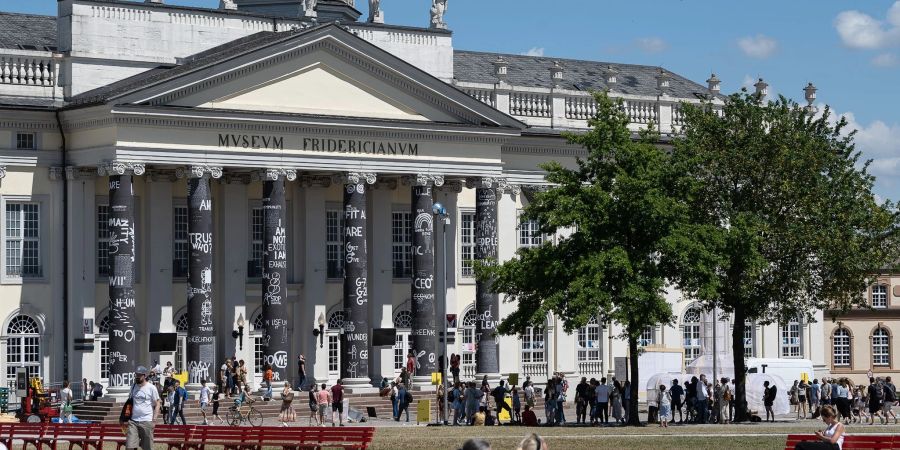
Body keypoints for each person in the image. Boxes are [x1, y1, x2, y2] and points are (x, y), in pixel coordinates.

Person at [125, 366, 160, 450]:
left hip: (146, 421)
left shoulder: (151, 388)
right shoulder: (133, 386)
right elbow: (129, 402)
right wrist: (126, 417)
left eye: (139, 375)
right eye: (136, 375)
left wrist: (154, 420)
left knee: (147, 447)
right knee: (129, 447)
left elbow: (157, 403)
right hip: (133, 421)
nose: (137, 377)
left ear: (144, 376)